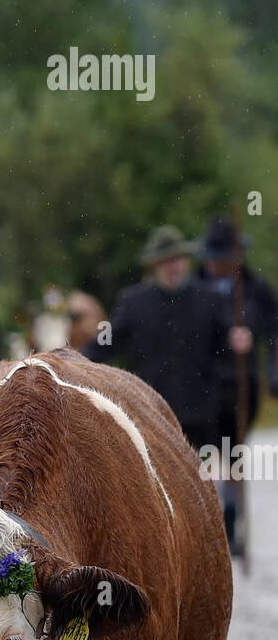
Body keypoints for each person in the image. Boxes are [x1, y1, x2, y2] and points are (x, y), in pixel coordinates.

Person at [83, 226, 252, 526]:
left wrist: (238, 341)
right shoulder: (134, 302)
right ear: (155, 265)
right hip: (151, 411)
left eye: (178, 259)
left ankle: (212, 533)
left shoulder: (210, 300)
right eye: (166, 261)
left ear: (186, 261)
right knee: (155, 485)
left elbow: (227, 347)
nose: (174, 266)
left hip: (199, 412)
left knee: (198, 486)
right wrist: (74, 357)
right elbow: (107, 341)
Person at [196, 216, 278, 551]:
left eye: (223, 258)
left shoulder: (256, 290)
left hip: (242, 384)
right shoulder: (194, 289)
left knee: (234, 454)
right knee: (201, 454)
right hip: (202, 386)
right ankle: (204, 518)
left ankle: (230, 520)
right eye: (213, 257)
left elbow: (274, 333)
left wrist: (270, 369)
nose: (216, 264)